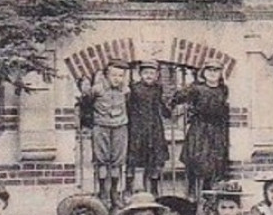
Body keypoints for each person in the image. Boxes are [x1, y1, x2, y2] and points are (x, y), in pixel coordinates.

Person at [171, 61, 231, 200]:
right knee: (196, 159)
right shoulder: (196, 88)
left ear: (220, 73)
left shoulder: (223, 89)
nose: (212, 73)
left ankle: (208, 195)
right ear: (204, 73)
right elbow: (177, 98)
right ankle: (192, 193)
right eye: (209, 70)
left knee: (214, 162)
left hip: (216, 130)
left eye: (216, 70)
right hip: (199, 128)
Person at [78, 61, 132, 207]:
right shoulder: (97, 90)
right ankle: (103, 193)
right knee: (102, 160)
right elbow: (86, 104)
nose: (117, 79)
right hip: (101, 127)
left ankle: (114, 193)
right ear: (107, 75)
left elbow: (128, 105)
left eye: (121, 75)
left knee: (117, 161)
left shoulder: (125, 91)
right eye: (114, 75)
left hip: (120, 127)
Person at [126, 61, 170, 195]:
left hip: (154, 127)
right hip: (137, 128)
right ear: (140, 74)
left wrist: (168, 110)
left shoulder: (158, 88)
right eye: (145, 73)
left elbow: (160, 105)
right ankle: (129, 187)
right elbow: (128, 106)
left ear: (156, 75)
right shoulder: (134, 88)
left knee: (155, 158)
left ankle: (153, 188)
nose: (149, 76)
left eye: (152, 73)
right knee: (133, 158)